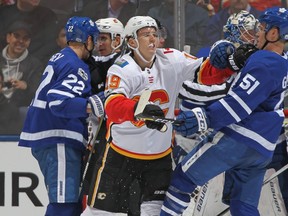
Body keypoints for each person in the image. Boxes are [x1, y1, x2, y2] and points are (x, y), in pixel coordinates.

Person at [80, 15, 228, 216]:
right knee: (99, 213)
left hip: (159, 159)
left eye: (154, 34)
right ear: (131, 41)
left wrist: (226, 62)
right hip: (120, 156)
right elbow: (112, 106)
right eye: (145, 35)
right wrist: (137, 110)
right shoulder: (122, 68)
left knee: (157, 213)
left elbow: (206, 74)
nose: (153, 39)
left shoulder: (172, 59)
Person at [160, 7, 288, 216]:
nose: (256, 32)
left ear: (273, 33)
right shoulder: (281, 61)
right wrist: (231, 62)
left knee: (182, 180)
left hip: (237, 139)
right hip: (263, 149)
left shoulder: (264, 62)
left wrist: (204, 118)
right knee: (243, 206)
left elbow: (238, 105)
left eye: (262, 28)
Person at [18, 16, 104, 216]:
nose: (96, 43)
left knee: (71, 203)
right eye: (94, 39)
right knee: (64, 204)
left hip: (51, 137)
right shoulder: (76, 66)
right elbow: (59, 102)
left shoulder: (61, 57)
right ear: (87, 40)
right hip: (59, 137)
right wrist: (92, 104)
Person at [0, 20, 43, 134]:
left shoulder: (35, 64)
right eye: (16, 36)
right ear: (8, 37)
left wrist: (26, 87)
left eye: (25, 38)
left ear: (29, 42)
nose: (20, 41)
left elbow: (39, 92)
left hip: (18, 110)